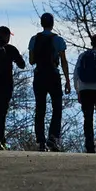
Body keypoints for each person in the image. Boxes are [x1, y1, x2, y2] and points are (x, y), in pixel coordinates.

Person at [28, 12, 71, 152]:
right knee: (56, 107)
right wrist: (67, 80)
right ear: (52, 24)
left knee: (40, 108)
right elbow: (63, 61)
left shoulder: (34, 39)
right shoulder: (58, 40)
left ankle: (40, 140)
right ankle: (53, 138)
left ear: (41, 23)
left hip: (39, 75)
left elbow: (31, 61)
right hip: (53, 75)